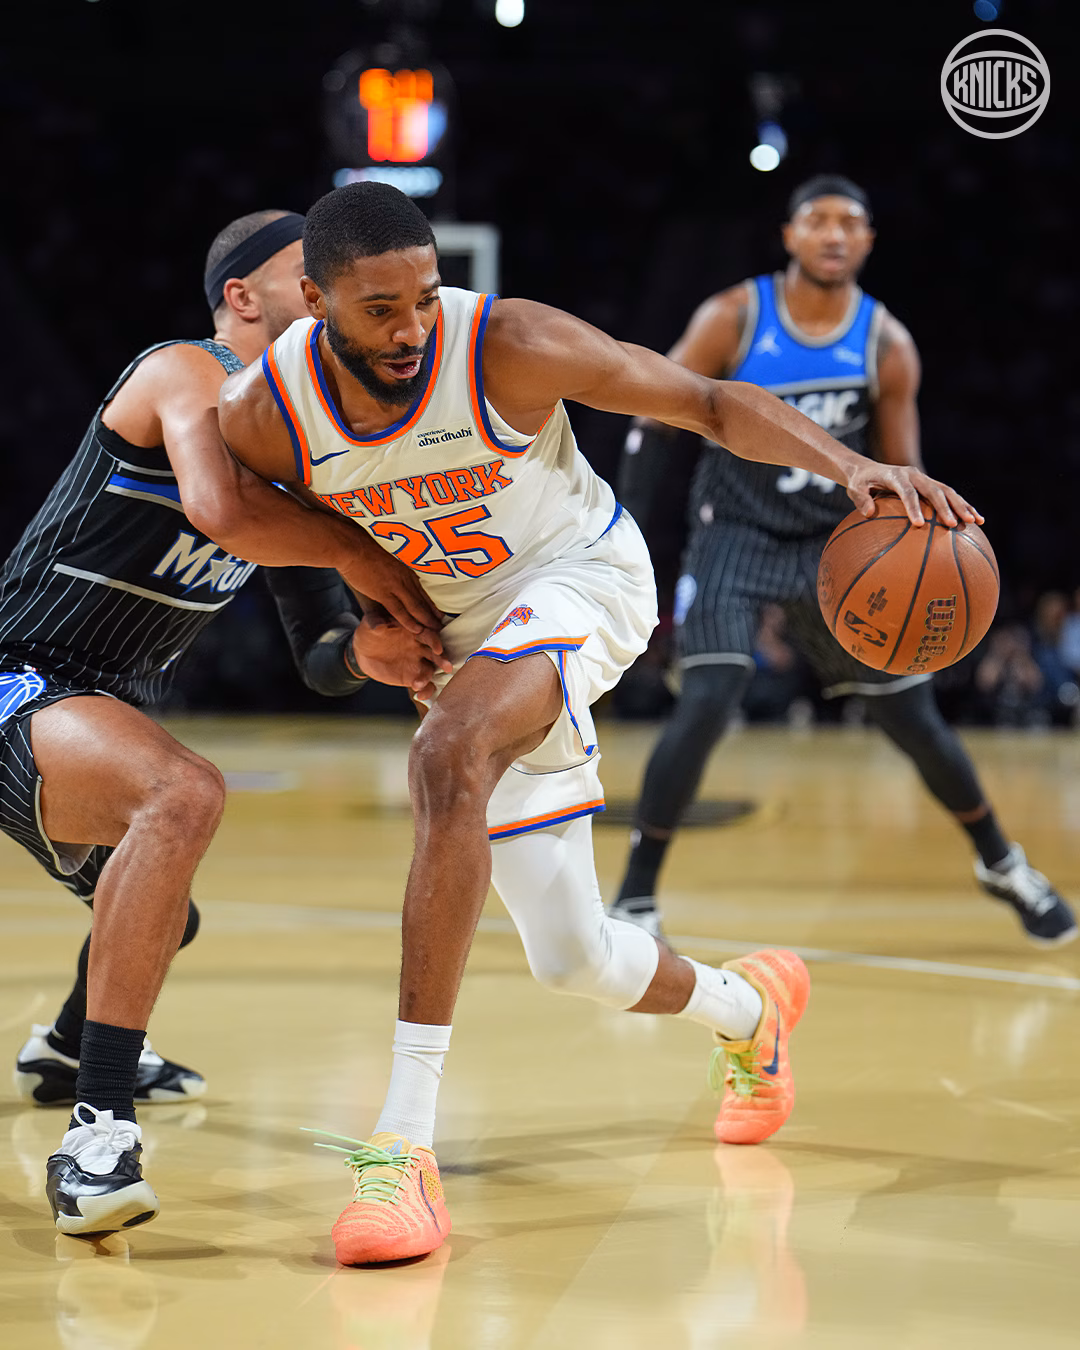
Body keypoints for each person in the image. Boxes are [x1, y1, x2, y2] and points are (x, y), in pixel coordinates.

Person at [218, 180, 979, 1266]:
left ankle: (402, 1147)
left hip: (584, 581)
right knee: (572, 956)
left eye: (425, 297)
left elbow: (707, 402)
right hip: (471, 642)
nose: (411, 328)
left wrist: (856, 468)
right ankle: (750, 1009)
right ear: (314, 298)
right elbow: (267, 538)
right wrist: (352, 621)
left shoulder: (508, 345)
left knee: (446, 755)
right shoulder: (264, 412)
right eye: (380, 309)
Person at [0, 208, 450, 1238]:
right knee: (181, 794)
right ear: (242, 297)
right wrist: (357, 549)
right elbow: (217, 510)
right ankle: (96, 1135)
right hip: (17, 678)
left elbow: (320, 657)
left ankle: (64, 1050)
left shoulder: (293, 461)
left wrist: (368, 655)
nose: (325, 289)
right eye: (305, 274)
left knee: (166, 914)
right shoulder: (184, 371)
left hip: (92, 706)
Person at [609, 174, 1076, 948]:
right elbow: (653, 416)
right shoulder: (735, 316)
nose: (833, 234)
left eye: (849, 223)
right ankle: (635, 894)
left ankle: (1002, 863)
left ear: (868, 241)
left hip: (843, 547)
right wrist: (624, 532)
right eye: (817, 220)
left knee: (912, 718)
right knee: (711, 695)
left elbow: (902, 467)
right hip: (735, 532)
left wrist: (935, 545)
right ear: (789, 235)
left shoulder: (886, 343)